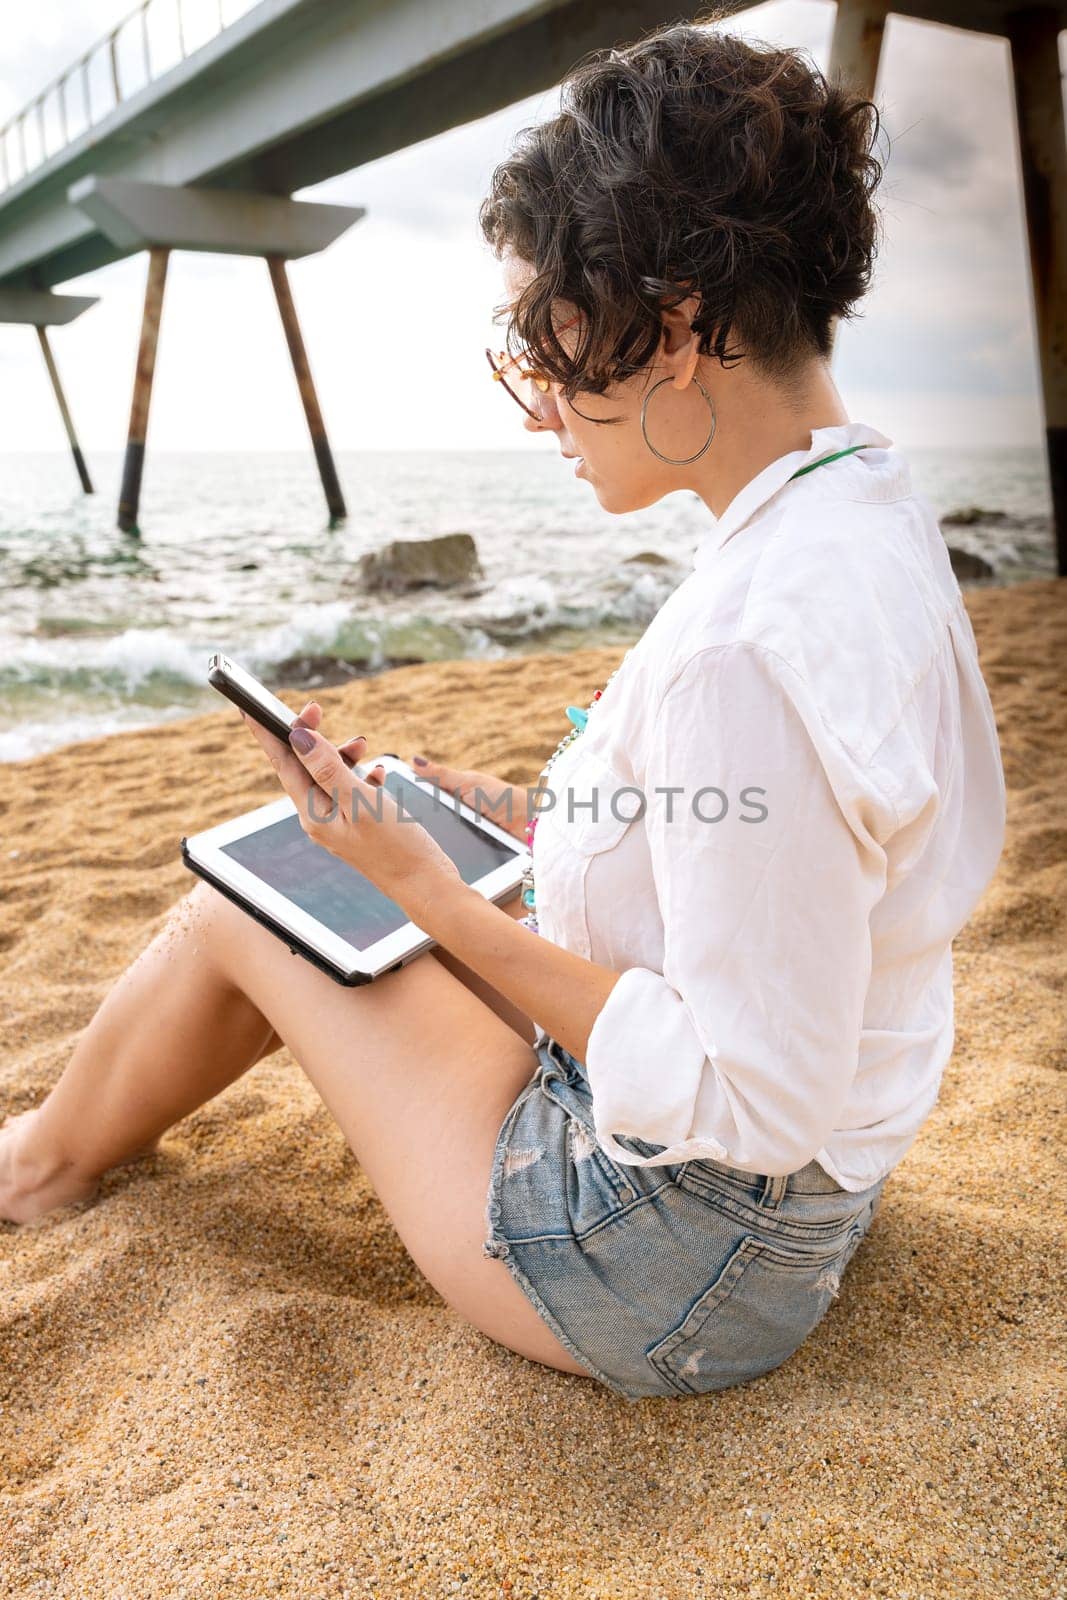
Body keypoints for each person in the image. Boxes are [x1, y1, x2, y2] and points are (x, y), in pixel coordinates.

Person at [0, 18, 1006, 1402]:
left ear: (682, 324)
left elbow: (750, 1101)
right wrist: (507, 815)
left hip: (665, 1260)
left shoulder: (749, 641)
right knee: (307, 883)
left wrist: (439, 902)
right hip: (787, 1209)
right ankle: (60, 1144)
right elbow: (796, 839)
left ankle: (39, 1168)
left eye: (553, 332)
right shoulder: (866, 516)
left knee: (253, 900)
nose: (541, 401)